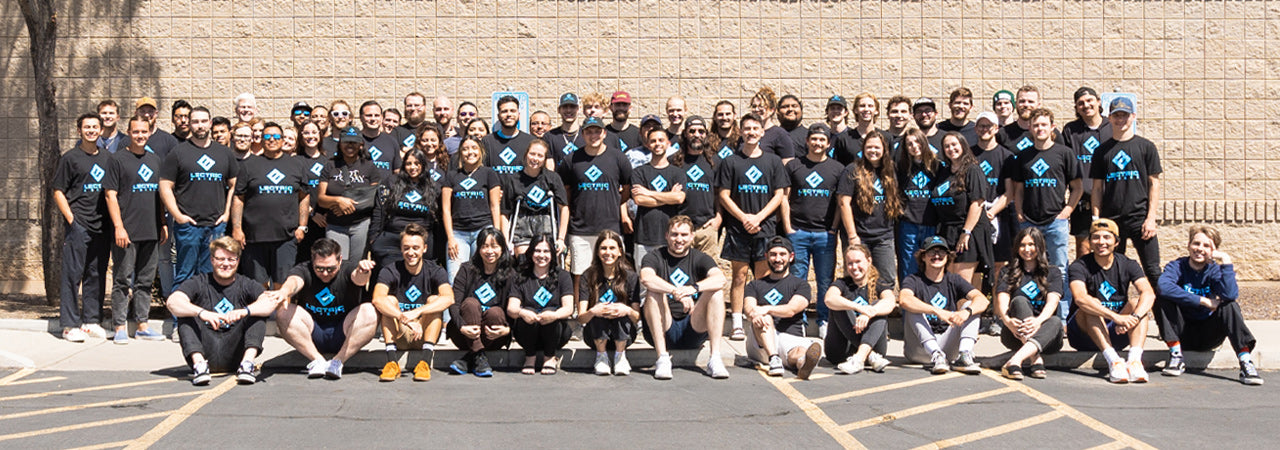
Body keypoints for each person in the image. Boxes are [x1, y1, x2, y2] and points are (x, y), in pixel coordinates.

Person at [1156, 225, 1263, 385]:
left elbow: (1230, 294)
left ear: (1214, 250)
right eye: (1196, 243)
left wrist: (1226, 261)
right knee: (1161, 299)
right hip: (1181, 332)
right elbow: (1163, 286)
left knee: (1230, 306)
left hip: (1209, 334)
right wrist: (1203, 300)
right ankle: (1176, 356)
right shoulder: (1177, 266)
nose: (1200, 249)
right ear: (1189, 245)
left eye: (1206, 246)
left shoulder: (1215, 270)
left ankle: (1245, 363)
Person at [716, 113, 789, 341]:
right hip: (739, 229)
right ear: (741, 132)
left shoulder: (773, 161)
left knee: (762, 278)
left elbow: (780, 194)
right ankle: (737, 322)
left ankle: (760, 317)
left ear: (762, 132)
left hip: (764, 228)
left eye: (755, 128)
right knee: (739, 277)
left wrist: (758, 217)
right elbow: (723, 195)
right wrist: (744, 217)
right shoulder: (731, 161)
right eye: (746, 128)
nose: (751, 132)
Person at [165, 237, 275, 385]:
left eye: (231, 260)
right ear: (212, 260)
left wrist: (244, 311)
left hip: (236, 352)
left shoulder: (246, 284)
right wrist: (202, 312)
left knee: (257, 314)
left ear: (237, 261)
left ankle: (247, 365)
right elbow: (173, 302)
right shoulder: (199, 282)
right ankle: (200, 367)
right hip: (205, 350)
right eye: (221, 259)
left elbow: (270, 303)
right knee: (185, 315)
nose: (226, 264)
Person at [272, 238, 379, 380]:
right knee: (283, 311)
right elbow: (294, 281)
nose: (325, 273)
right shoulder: (303, 269)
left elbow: (359, 279)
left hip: (344, 331)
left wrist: (364, 271)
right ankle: (317, 361)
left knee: (370, 311)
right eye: (319, 268)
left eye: (331, 269)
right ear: (312, 261)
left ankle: (337, 362)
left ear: (340, 260)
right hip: (313, 332)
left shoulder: (349, 268)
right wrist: (285, 291)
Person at [1013, 108, 1082, 322]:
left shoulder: (1064, 153)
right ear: (1030, 129)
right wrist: (1019, 212)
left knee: (1059, 269)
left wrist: (1067, 211)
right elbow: (1018, 189)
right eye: (1036, 125)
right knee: (1026, 268)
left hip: (1055, 222)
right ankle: (1029, 313)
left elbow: (1077, 187)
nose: (1039, 128)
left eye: (1044, 124)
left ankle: (1062, 319)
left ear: (1052, 127)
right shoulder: (1023, 156)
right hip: (1029, 222)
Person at [1066, 219, 1156, 384]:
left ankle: (1134, 361)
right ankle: (1114, 361)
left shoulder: (1128, 264)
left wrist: (1133, 318)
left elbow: (1149, 293)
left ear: (1116, 242)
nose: (1101, 242)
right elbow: (1080, 298)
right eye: (1096, 237)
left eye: (1107, 237)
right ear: (1090, 242)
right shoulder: (1079, 266)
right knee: (1091, 304)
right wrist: (1116, 317)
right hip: (1084, 334)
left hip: (1118, 331)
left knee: (1138, 302)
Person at [640, 216, 729, 379]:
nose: (679, 239)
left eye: (683, 235)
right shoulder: (655, 256)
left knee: (716, 291)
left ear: (692, 236)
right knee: (653, 292)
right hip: (664, 327)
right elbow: (646, 278)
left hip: (693, 326)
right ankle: (662, 359)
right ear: (666, 235)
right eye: (674, 234)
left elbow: (720, 279)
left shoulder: (700, 258)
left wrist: (692, 289)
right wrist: (675, 292)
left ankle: (715, 358)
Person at [160, 107, 239, 290]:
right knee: (185, 274)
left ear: (210, 124)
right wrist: (178, 216)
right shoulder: (179, 152)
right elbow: (165, 186)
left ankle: (206, 316)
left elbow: (234, 185)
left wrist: (226, 213)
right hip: (189, 226)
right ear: (190, 124)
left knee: (212, 275)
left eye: (204, 121)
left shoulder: (224, 153)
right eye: (195, 122)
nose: (200, 125)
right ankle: (181, 317)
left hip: (216, 225)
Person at [104, 115, 167, 343]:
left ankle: (142, 325)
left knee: (145, 280)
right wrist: (119, 227)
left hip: (150, 230)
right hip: (126, 232)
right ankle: (119, 326)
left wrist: (162, 223)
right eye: (136, 132)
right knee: (122, 280)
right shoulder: (117, 159)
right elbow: (110, 195)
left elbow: (159, 195)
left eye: (144, 132)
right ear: (129, 133)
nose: (140, 135)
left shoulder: (155, 160)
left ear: (150, 132)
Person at [1090, 97, 1162, 288]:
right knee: (1113, 273)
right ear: (1109, 118)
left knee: (1153, 271)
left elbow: (1154, 184)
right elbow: (1097, 188)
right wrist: (1096, 219)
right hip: (1112, 221)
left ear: (1133, 117)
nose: (1120, 119)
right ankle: (1118, 317)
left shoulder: (1146, 147)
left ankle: (1167, 319)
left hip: (1140, 219)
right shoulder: (1101, 152)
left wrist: (1151, 218)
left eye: (1125, 115)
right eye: (1116, 115)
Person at [54, 113, 112, 342]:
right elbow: (58, 190)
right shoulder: (71, 158)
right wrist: (71, 219)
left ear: (101, 130)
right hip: (79, 224)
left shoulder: (108, 158)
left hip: (102, 225)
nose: (91, 130)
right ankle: (69, 325)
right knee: (72, 274)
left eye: (95, 127)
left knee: (96, 274)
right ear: (79, 131)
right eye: (87, 127)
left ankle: (91, 321)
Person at [371, 224, 453, 382]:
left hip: (424, 331)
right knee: (389, 301)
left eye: (416, 248)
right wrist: (403, 317)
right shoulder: (390, 270)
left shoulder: (435, 270)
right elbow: (377, 299)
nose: (411, 252)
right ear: (400, 249)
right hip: (400, 332)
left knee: (435, 300)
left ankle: (425, 363)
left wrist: (417, 312)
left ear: (424, 248)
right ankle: (392, 363)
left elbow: (449, 298)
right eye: (406, 248)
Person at [782, 123, 843, 336]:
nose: (817, 143)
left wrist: (834, 229)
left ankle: (824, 320)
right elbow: (784, 197)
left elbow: (839, 203)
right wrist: (788, 227)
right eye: (814, 139)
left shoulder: (837, 169)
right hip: (798, 232)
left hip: (824, 234)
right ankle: (800, 320)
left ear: (828, 143)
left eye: (822, 140)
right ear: (807, 141)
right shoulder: (794, 166)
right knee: (798, 279)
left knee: (825, 279)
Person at [559, 117, 633, 291]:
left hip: (610, 227)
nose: (594, 135)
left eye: (597, 131)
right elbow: (566, 191)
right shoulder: (572, 159)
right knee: (579, 273)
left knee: (613, 272)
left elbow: (627, 188)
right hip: (580, 228)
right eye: (589, 132)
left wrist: (617, 204)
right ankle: (580, 314)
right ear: (583, 134)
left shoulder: (618, 158)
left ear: (604, 133)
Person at [232, 122, 309, 288]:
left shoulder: (297, 165)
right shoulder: (248, 165)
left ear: (282, 140)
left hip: (286, 237)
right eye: (267, 136)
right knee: (258, 285)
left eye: (276, 136)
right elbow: (238, 198)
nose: (271, 140)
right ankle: (262, 315)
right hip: (254, 237)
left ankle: (280, 314)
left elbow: (304, 196)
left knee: (282, 284)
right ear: (260, 139)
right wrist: (237, 228)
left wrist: (302, 226)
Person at [898, 236, 988, 375]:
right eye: (931, 252)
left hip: (947, 344)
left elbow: (983, 300)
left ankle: (964, 356)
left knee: (971, 305)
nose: (936, 255)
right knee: (913, 308)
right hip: (919, 349)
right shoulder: (913, 280)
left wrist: (966, 312)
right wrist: (936, 311)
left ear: (947, 257)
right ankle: (936, 354)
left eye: (941, 252)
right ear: (923, 257)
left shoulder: (954, 279)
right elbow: (904, 299)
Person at [744, 237, 821, 379]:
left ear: (791, 257)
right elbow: (749, 309)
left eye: (782, 254)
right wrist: (758, 313)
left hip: (791, 337)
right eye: (773, 254)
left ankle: (803, 364)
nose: (777, 259)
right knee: (763, 317)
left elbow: (792, 309)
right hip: (760, 339)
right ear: (766, 256)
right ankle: (774, 358)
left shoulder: (801, 285)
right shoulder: (754, 285)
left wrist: (766, 308)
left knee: (800, 351)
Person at [995, 227, 1064, 380]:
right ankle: (1035, 358)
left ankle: (1015, 361)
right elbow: (1003, 300)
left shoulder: (1053, 272)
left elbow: (1053, 302)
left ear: (1040, 246)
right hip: (1015, 333)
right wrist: (1007, 321)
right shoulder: (1008, 271)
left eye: (1032, 244)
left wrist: (1038, 322)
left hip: (1048, 336)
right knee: (1019, 300)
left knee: (1055, 321)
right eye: (1022, 245)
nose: (1027, 249)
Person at [446, 227, 514, 377]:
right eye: (485, 246)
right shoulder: (466, 269)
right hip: (464, 334)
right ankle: (479, 357)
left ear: (502, 248)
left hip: (495, 335)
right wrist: (462, 326)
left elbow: (515, 307)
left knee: (496, 312)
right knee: (470, 303)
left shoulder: (510, 274)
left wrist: (508, 330)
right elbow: (454, 302)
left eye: (494, 246)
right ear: (478, 248)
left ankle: (472, 357)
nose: (490, 251)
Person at [838, 131, 901, 290]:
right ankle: (855, 313)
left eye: (877, 147)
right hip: (858, 235)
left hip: (884, 236)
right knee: (855, 277)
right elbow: (844, 203)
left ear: (884, 149)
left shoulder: (891, 170)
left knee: (886, 280)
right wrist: (852, 236)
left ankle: (879, 314)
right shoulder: (852, 169)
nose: (873, 151)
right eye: (869, 147)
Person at [577, 230, 643, 376]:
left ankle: (620, 357)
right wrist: (594, 311)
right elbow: (581, 317)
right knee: (599, 312)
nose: (608, 252)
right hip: (595, 335)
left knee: (621, 310)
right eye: (603, 248)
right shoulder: (587, 276)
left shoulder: (630, 277)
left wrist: (625, 310)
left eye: (612, 248)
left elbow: (637, 317)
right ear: (597, 252)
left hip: (625, 335)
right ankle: (601, 357)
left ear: (620, 251)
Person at [932, 132, 994, 286]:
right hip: (948, 231)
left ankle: (967, 310)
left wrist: (966, 232)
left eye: (954, 144)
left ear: (963, 146)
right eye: (946, 146)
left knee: (962, 284)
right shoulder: (944, 172)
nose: (950, 148)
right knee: (950, 279)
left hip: (968, 232)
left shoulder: (972, 170)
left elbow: (977, 203)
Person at [507, 235, 575, 375]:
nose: (541, 255)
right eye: (537, 251)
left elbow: (568, 308)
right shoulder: (520, 276)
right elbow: (511, 308)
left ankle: (549, 358)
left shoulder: (563, 276)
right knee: (528, 310)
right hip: (527, 332)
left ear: (552, 254)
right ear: (531, 253)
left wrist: (554, 315)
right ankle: (530, 358)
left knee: (550, 311)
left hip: (555, 333)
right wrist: (522, 313)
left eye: (546, 251)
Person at [824, 244, 895, 374]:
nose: (854, 267)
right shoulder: (842, 283)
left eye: (858, 262)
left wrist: (869, 313)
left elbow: (890, 302)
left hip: (873, 345)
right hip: (841, 350)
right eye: (850, 263)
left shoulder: (880, 283)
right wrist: (860, 308)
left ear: (869, 261)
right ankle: (868, 355)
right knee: (839, 305)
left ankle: (859, 357)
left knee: (879, 306)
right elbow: (829, 299)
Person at [442, 136, 503, 280]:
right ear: (460, 153)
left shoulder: (489, 173)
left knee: (482, 276)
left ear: (481, 151)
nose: (470, 152)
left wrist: (496, 234)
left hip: (483, 231)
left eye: (474, 148)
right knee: (455, 278)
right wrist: (450, 238)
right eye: (465, 149)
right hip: (458, 234)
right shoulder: (452, 176)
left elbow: (495, 206)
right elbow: (446, 209)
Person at [317, 127, 381, 262]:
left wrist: (347, 207)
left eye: (354, 142)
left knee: (357, 267)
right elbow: (321, 199)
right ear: (340, 143)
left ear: (361, 144)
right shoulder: (330, 165)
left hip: (361, 224)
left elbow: (373, 198)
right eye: (346, 142)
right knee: (337, 264)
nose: (350, 145)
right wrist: (339, 201)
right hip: (335, 225)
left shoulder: (369, 166)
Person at [1062, 87, 1112, 258]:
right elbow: (1064, 165)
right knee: (1083, 249)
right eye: (1080, 103)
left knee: (1110, 247)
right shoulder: (1070, 130)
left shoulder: (1111, 127)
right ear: (1076, 108)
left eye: (1090, 100)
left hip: (1110, 199)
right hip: (1082, 201)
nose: (1086, 105)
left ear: (1098, 102)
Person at [369, 148, 439, 269]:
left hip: (420, 240)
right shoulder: (391, 182)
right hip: (392, 239)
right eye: (408, 164)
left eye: (417, 163)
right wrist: (373, 237)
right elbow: (379, 211)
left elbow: (438, 217)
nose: (413, 167)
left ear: (423, 165)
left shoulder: (434, 187)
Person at [501, 139, 569, 255]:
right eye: (532, 154)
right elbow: (505, 213)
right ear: (526, 154)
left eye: (540, 156)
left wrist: (561, 239)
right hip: (522, 229)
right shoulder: (513, 180)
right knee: (524, 262)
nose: (535, 159)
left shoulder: (552, 178)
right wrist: (506, 240)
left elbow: (564, 208)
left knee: (548, 261)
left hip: (546, 227)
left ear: (544, 159)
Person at [631, 127, 686, 265]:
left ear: (668, 143)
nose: (657, 144)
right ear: (648, 145)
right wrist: (669, 198)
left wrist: (649, 193)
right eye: (653, 141)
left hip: (671, 237)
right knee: (644, 280)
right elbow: (639, 199)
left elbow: (679, 198)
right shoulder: (639, 172)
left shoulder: (677, 173)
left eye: (661, 140)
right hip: (644, 237)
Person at [895, 128, 940, 280]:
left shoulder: (937, 166)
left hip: (931, 223)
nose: (914, 146)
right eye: (909, 143)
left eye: (917, 141)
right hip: (908, 224)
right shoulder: (901, 167)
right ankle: (908, 300)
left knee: (932, 264)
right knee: (908, 265)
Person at [676, 116, 722, 257]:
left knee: (708, 272)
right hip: (680, 228)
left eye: (701, 131)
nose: (697, 135)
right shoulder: (674, 161)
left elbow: (718, 194)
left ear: (706, 134)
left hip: (706, 227)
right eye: (692, 131)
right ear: (685, 133)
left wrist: (718, 218)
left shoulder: (715, 162)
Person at [997, 85, 1063, 151]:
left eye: (1030, 102)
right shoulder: (1003, 134)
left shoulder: (1051, 133)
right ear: (1016, 104)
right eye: (1022, 101)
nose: (1026, 105)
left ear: (1038, 105)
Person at [482, 95, 535, 175]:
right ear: (498, 116)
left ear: (519, 115)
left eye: (512, 111)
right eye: (504, 111)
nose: (509, 114)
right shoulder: (487, 141)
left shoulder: (530, 141)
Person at [832, 92, 883, 165]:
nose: (866, 109)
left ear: (876, 111)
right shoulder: (844, 139)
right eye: (862, 106)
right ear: (855, 110)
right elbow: (838, 168)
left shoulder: (885, 138)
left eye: (870, 106)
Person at [357, 101, 403, 176]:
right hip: (360, 187)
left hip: (386, 187)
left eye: (377, 115)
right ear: (361, 117)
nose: (373, 118)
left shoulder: (392, 142)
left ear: (381, 117)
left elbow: (397, 171)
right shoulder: (354, 141)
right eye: (369, 115)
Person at [751, 88, 797, 162]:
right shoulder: (747, 132)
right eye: (754, 106)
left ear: (772, 110)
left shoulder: (780, 134)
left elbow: (788, 165)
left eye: (761, 106)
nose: (757, 109)